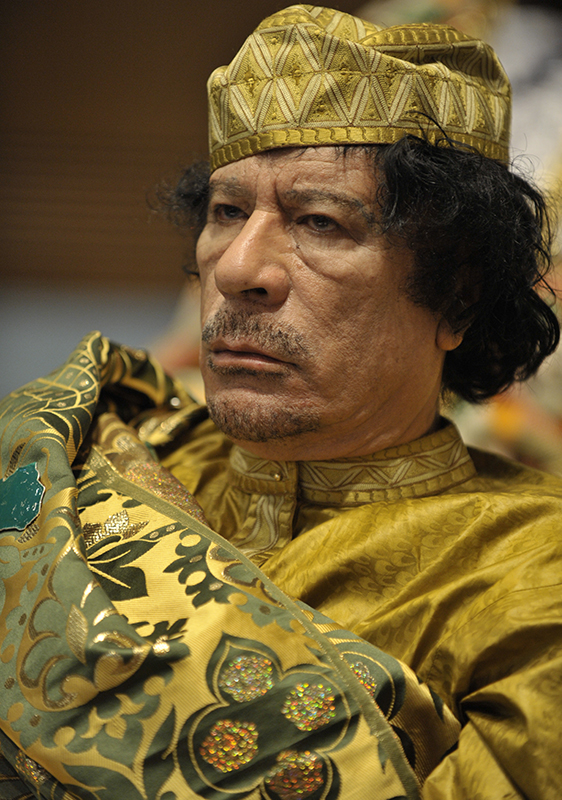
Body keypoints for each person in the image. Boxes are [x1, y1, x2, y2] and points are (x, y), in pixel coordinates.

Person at [0, 5, 561, 799]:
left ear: (458, 295)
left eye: (319, 222)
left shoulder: (533, 576)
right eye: (227, 213)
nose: (237, 268)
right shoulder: (93, 454)